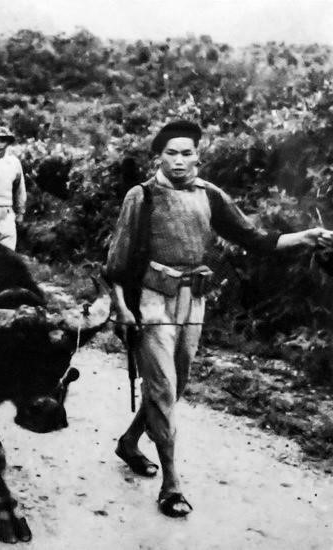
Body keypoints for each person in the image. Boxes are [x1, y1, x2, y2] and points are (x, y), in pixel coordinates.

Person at [104, 120, 333, 518]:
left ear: (198, 155)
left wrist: (308, 236)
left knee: (174, 388)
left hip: (193, 301)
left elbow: (256, 239)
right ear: (158, 156)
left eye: (187, 152)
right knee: (161, 389)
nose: (179, 161)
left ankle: (129, 441)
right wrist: (122, 308)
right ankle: (172, 484)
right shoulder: (141, 197)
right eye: (171, 153)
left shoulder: (208, 194)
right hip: (151, 301)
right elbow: (116, 265)